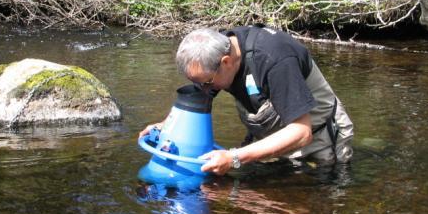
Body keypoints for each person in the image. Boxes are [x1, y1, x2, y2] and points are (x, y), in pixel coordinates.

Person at [139, 25, 353, 176]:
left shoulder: (275, 59)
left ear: (226, 62)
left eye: (206, 83)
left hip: (318, 137)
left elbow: (301, 132)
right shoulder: (214, 54)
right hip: (271, 134)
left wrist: (233, 158)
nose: (204, 89)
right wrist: (167, 125)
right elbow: (196, 99)